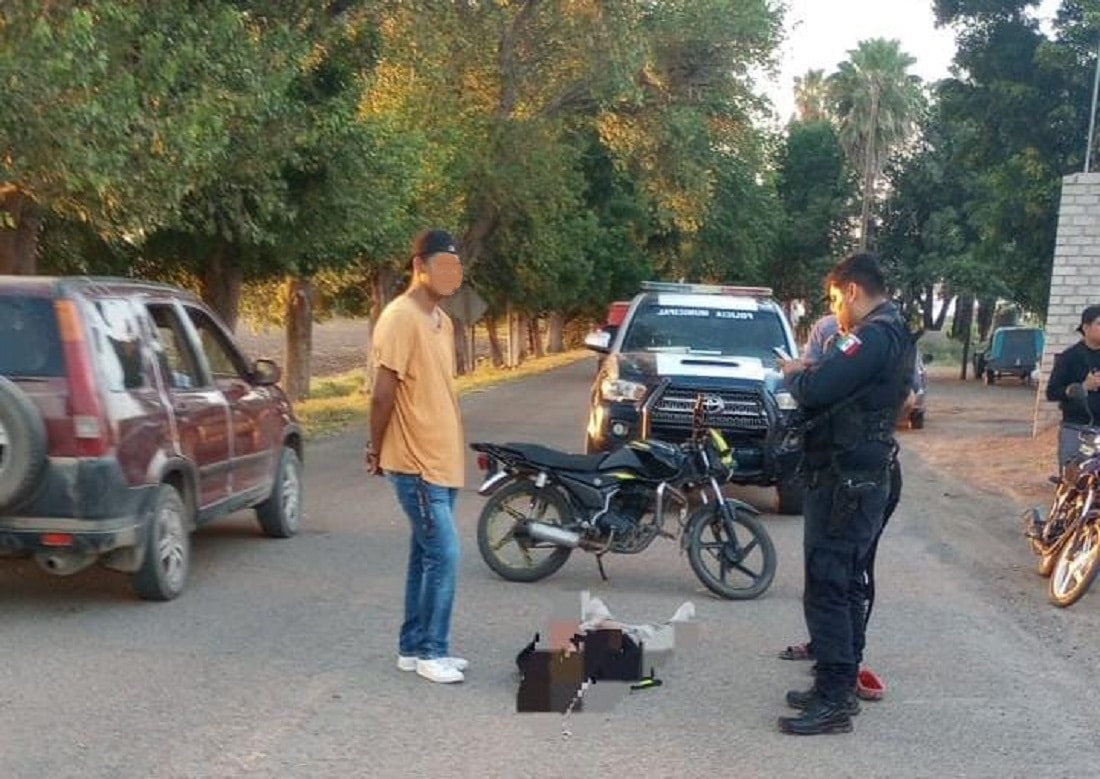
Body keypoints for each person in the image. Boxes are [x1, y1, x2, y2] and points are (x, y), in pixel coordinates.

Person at [774, 252, 914, 735]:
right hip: (856, 474)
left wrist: (795, 373)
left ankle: (834, 699)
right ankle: (839, 681)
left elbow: (818, 387)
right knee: (845, 581)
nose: (836, 309)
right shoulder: (890, 330)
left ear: (852, 290)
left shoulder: (874, 334)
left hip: (847, 480)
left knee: (829, 584)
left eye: (836, 298)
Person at [366, 228, 469, 685]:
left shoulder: (442, 322)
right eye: (440, 265)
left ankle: (412, 646)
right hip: (415, 461)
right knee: (444, 553)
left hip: (443, 458)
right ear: (419, 266)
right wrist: (376, 447)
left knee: (424, 553)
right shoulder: (400, 317)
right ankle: (432, 650)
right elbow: (382, 393)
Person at [1045, 304, 1100, 474]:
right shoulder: (1069, 357)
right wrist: (1082, 387)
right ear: (1086, 327)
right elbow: (1052, 392)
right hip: (1076, 430)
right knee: (1073, 483)